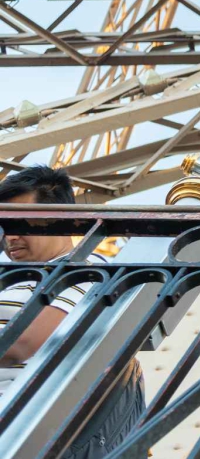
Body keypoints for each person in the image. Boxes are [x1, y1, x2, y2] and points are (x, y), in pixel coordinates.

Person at [0, 165, 146, 459]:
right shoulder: (19, 281)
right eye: (4, 227)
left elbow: (23, 341)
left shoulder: (84, 270)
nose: (11, 237)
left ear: (60, 219)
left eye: (22, 223)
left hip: (32, 435)